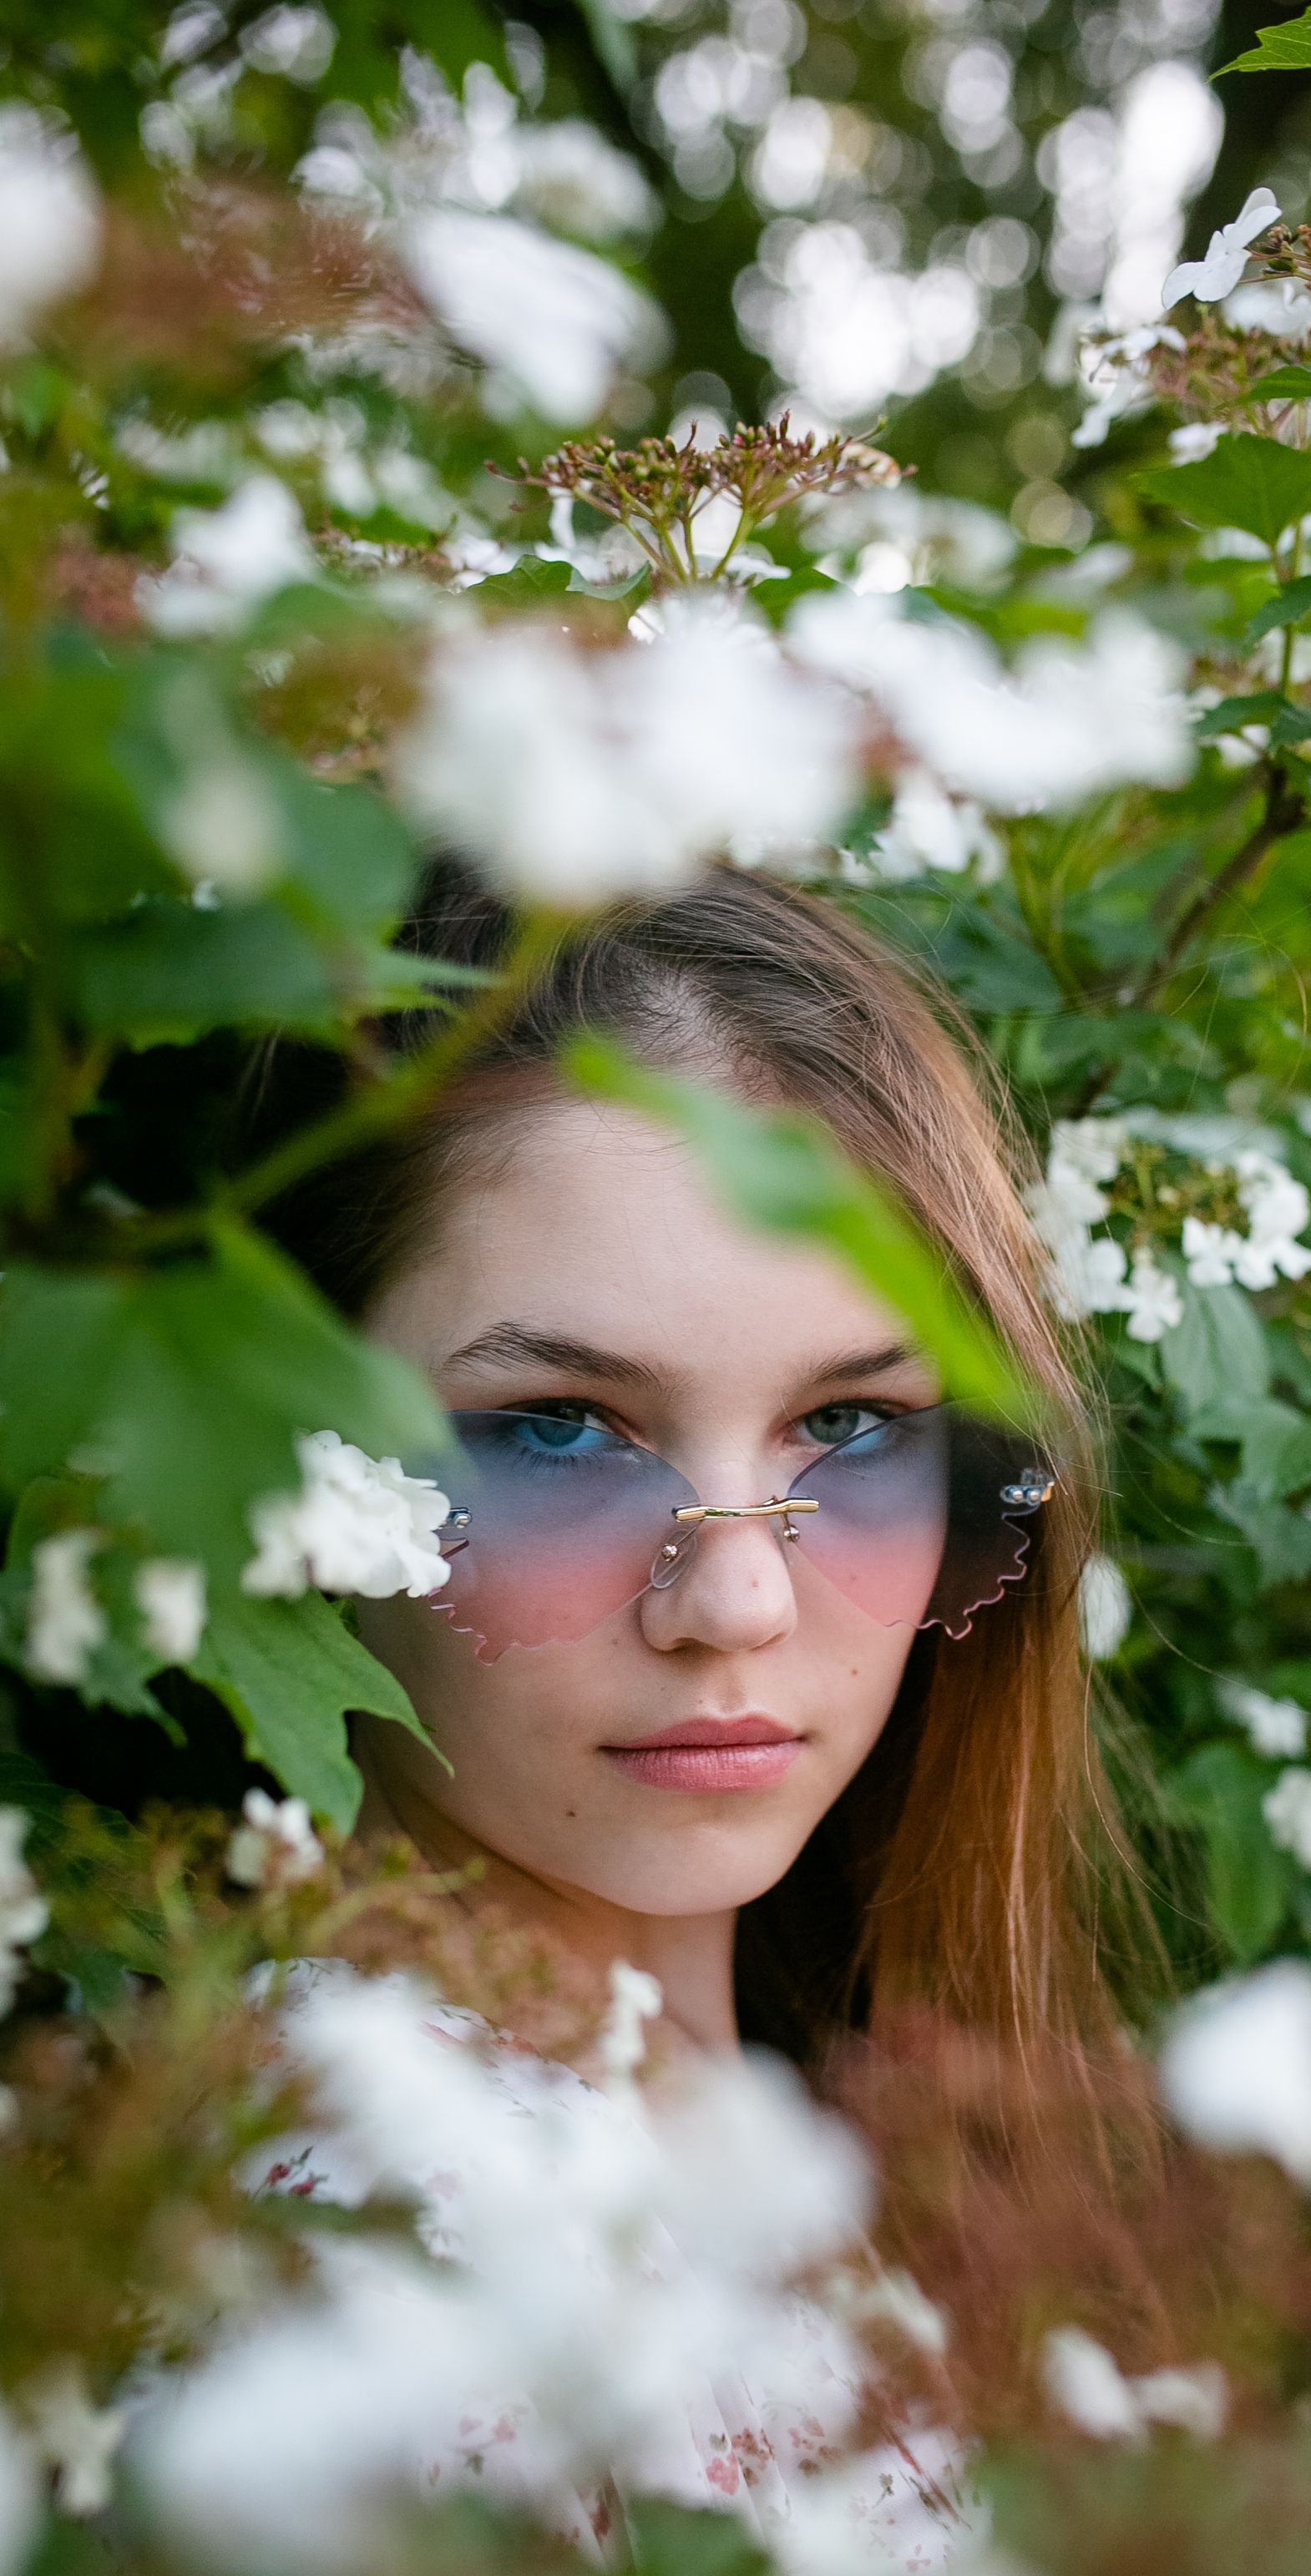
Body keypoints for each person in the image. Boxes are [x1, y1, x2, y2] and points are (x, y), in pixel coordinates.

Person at [263, 864, 1136, 2092]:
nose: (738, 1606)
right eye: (561, 1428)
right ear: (283, 1441)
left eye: (849, 1419)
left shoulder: (867, 2133)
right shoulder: (369, 2205)